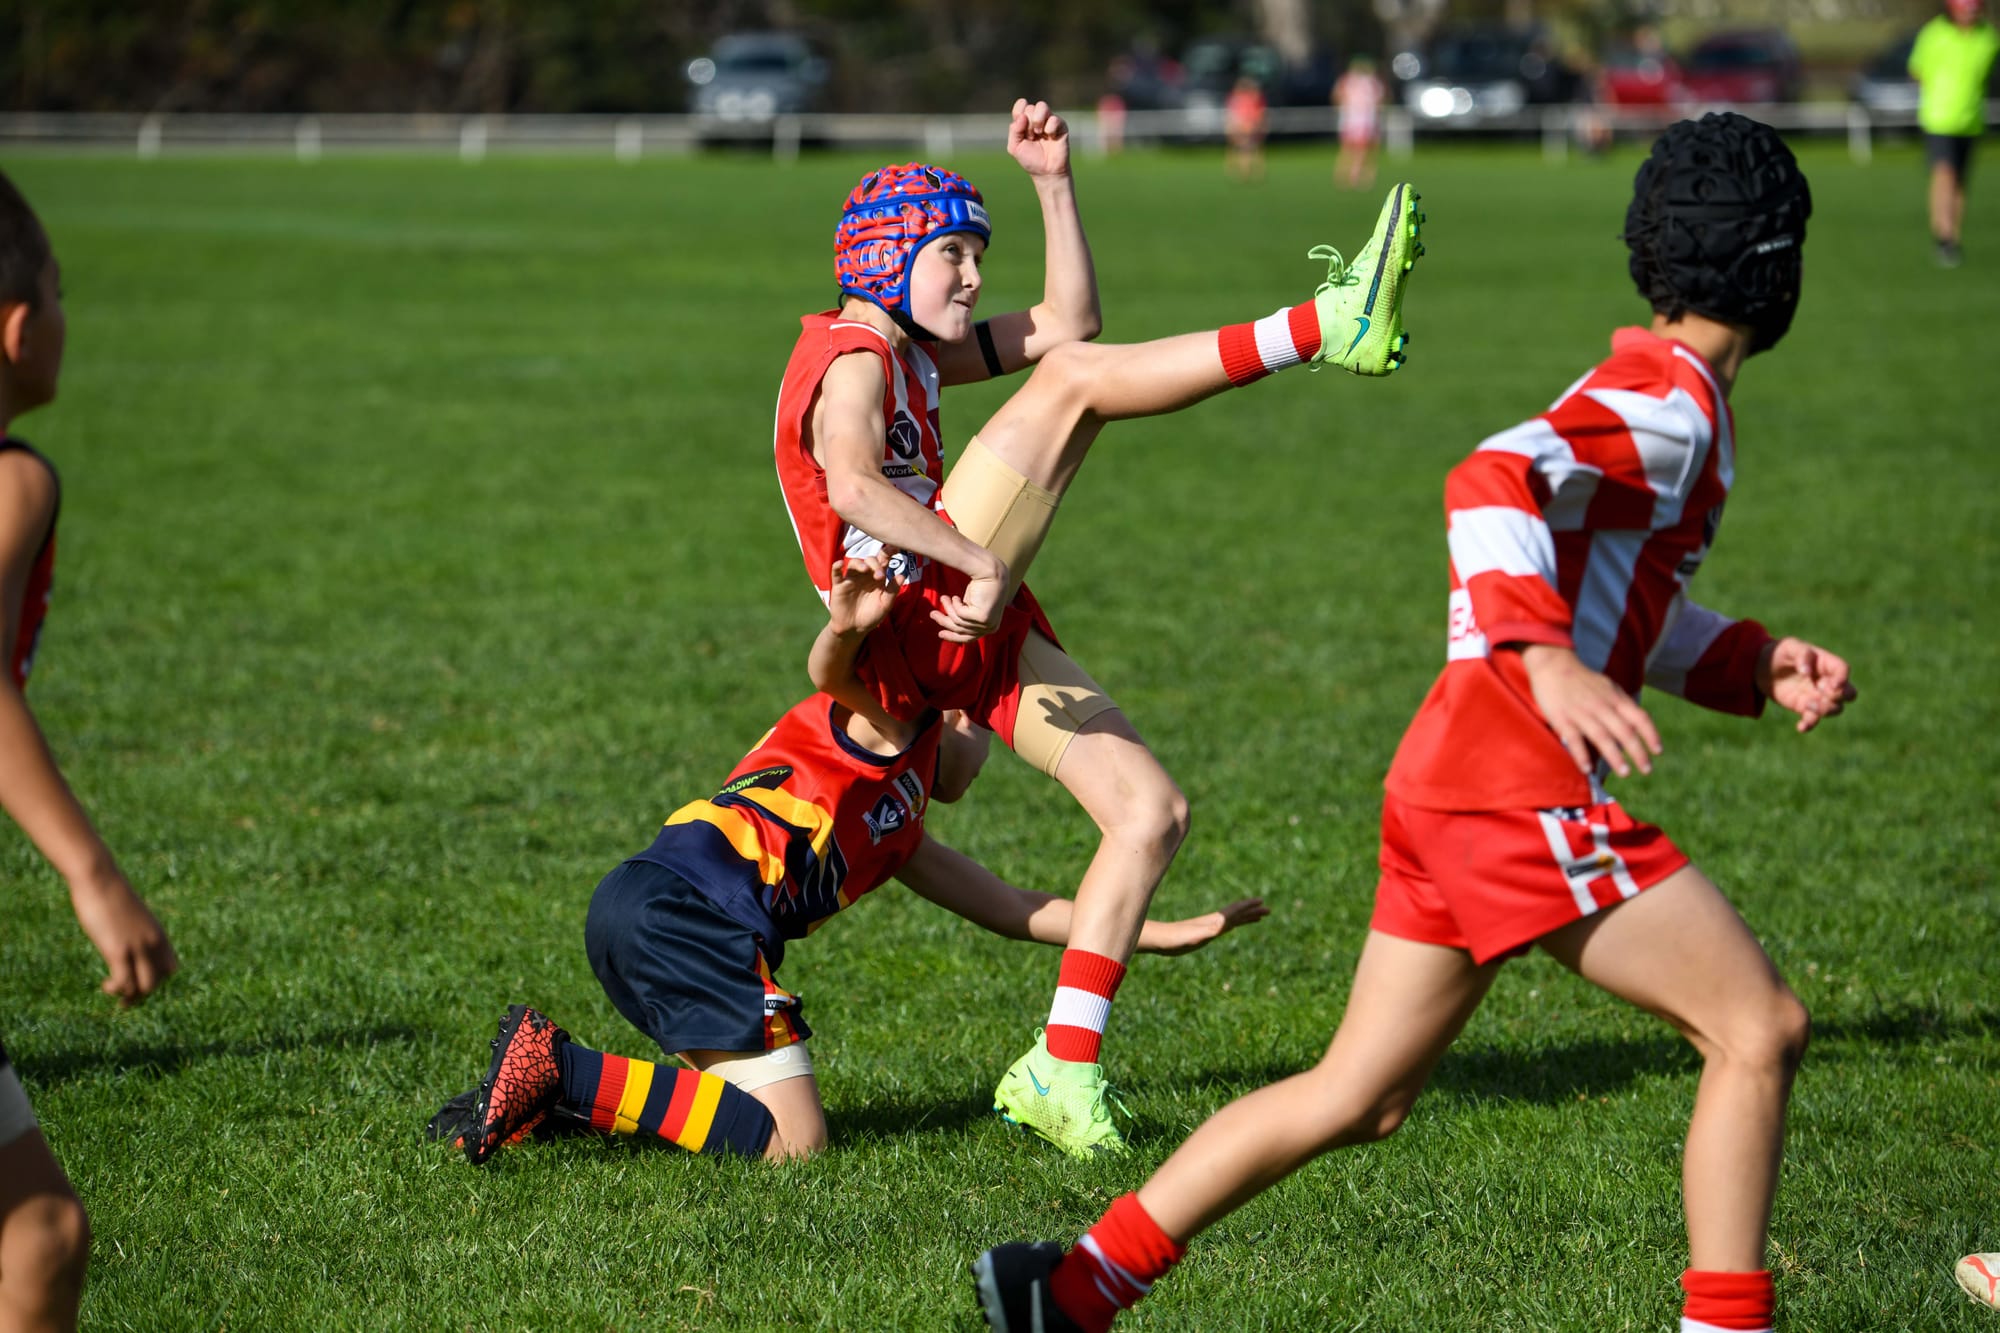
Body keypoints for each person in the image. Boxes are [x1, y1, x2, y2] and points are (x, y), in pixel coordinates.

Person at [972, 112, 1853, 1333]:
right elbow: (1485, 478)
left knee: (1357, 1094)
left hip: (1448, 775)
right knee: (1758, 1027)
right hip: (1511, 782)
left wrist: (1752, 661)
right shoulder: (1670, 402)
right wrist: (1539, 660)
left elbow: (1610, 606)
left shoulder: (1662, 391)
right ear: (1775, 265)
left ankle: (1066, 1289)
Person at [776, 103, 1423, 1159]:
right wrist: (978, 557)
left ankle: (1059, 1069)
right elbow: (849, 482)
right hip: (919, 617)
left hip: (954, 622)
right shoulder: (853, 354)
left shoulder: (916, 355)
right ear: (887, 256)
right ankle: (1321, 325)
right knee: (1073, 390)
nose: (972, 278)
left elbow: (1068, 321)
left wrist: (1052, 182)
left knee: (1149, 812)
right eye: (952, 254)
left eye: (976, 256)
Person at [442, 554, 1268, 1165]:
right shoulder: (893, 722)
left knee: (740, 1112)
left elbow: (1009, 906)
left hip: (646, 906)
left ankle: (540, 1098)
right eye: (979, 721)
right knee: (795, 1144)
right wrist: (846, 623)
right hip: (692, 913)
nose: (987, 739)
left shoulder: (900, 829)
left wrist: (1155, 932)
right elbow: (827, 668)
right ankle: (562, 1071)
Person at [0, 169, 180, 1332]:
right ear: (18, 328)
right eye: (62, 293)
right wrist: (94, 875)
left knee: (41, 1236)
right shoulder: (13, 479)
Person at [1910, 0, 1999, 266]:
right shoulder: (1934, 34)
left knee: (1959, 181)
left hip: (1971, 120)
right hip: (1939, 118)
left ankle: (1952, 237)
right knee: (1944, 173)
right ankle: (1943, 234)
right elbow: (1917, 70)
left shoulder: (1989, 38)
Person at [1333, 56, 1386, 190]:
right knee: (1359, 149)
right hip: (1361, 120)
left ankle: (1348, 175)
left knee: (1354, 148)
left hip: (1356, 119)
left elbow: (1337, 95)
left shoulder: (1350, 81)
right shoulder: (1366, 82)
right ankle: (1355, 175)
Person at [1223, 76, 1269, 183]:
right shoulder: (1248, 98)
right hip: (1247, 125)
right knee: (1247, 149)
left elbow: (1234, 114)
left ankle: (1245, 172)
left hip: (1245, 125)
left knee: (1245, 149)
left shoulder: (1242, 98)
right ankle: (1249, 172)